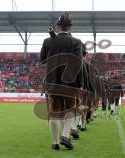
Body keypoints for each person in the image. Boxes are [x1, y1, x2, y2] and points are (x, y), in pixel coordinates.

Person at [40, 12, 84, 151]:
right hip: (70, 83)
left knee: (54, 112)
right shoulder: (76, 42)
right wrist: (81, 83)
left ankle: (55, 143)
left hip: (53, 82)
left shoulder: (48, 41)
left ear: (58, 26)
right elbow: (79, 64)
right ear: (70, 28)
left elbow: (43, 60)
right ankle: (65, 136)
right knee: (70, 110)